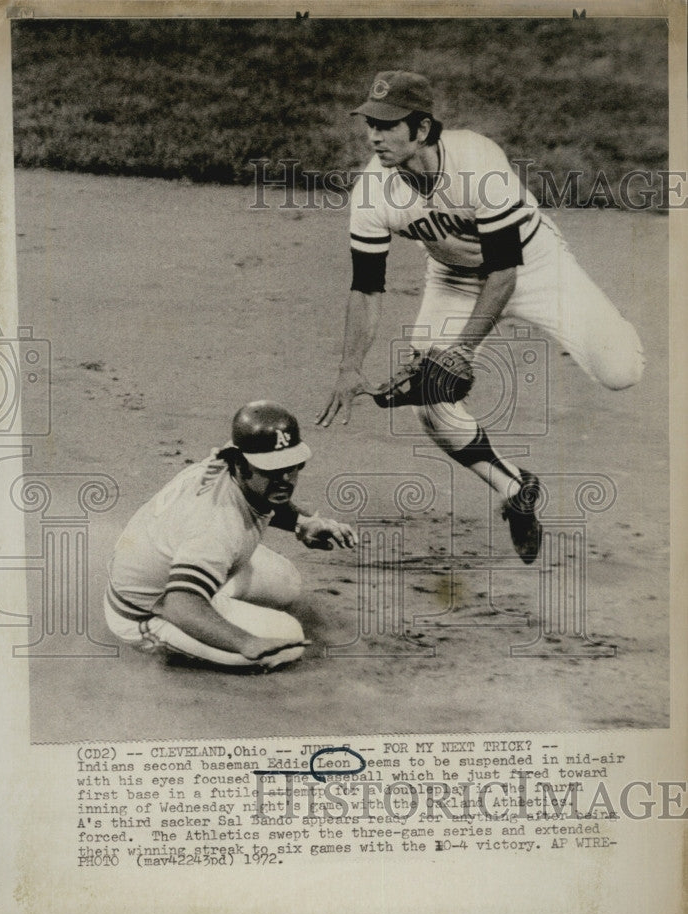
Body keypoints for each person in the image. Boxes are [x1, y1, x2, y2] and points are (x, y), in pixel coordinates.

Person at [317, 70, 644, 563]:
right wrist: (348, 367)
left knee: (622, 371)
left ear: (422, 129)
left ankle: (600, 322)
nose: (374, 136)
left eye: (387, 125)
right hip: (452, 278)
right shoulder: (373, 190)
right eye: (370, 124)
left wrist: (459, 350)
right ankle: (515, 489)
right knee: (433, 400)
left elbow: (505, 273)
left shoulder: (477, 161)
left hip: (534, 267)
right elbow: (366, 287)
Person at [105, 401, 357, 669]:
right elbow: (179, 605)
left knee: (288, 582)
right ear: (240, 462)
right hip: (150, 611)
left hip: (176, 563)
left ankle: (206, 591)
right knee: (286, 640)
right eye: (271, 469)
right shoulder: (215, 523)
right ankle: (201, 612)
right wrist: (245, 642)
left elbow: (268, 497)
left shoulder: (232, 459)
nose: (285, 478)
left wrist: (302, 522)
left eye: (292, 466)